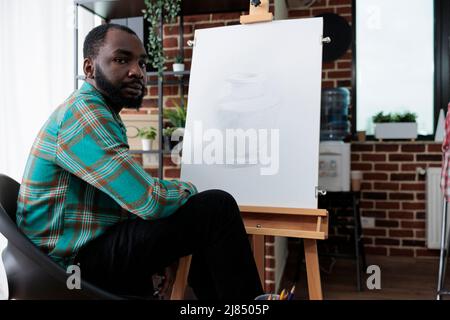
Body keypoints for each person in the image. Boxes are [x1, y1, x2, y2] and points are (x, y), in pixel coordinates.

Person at [16, 23, 263, 300]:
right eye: (122, 60)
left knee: (200, 224)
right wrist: (191, 190)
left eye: (142, 63)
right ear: (89, 68)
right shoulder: (84, 114)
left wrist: (164, 254)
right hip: (66, 270)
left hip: (79, 253)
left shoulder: (98, 110)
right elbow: (149, 200)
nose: (137, 71)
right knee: (216, 207)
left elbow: (128, 202)